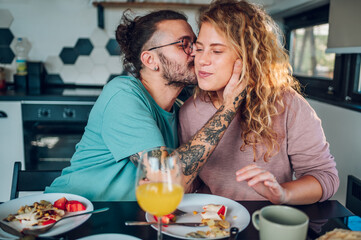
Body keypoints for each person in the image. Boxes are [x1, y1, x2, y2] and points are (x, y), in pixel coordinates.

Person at [45, 9, 247, 201]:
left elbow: (177, 183)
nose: (196, 53)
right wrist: (229, 107)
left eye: (195, 43)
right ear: (150, 60)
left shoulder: (179, 110)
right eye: (184, 44)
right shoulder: (122, 94)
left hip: (123, 223)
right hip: (65, 215)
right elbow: (165, 178)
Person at [178, 0, 339, 205]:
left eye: (216, 51)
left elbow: (326, 177)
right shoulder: (189, 110)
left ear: (248, 58)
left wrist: (283, 193)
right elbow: (189, 182)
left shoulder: (288, 105)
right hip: (212, 223)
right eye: (199, 49)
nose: (202, 60)